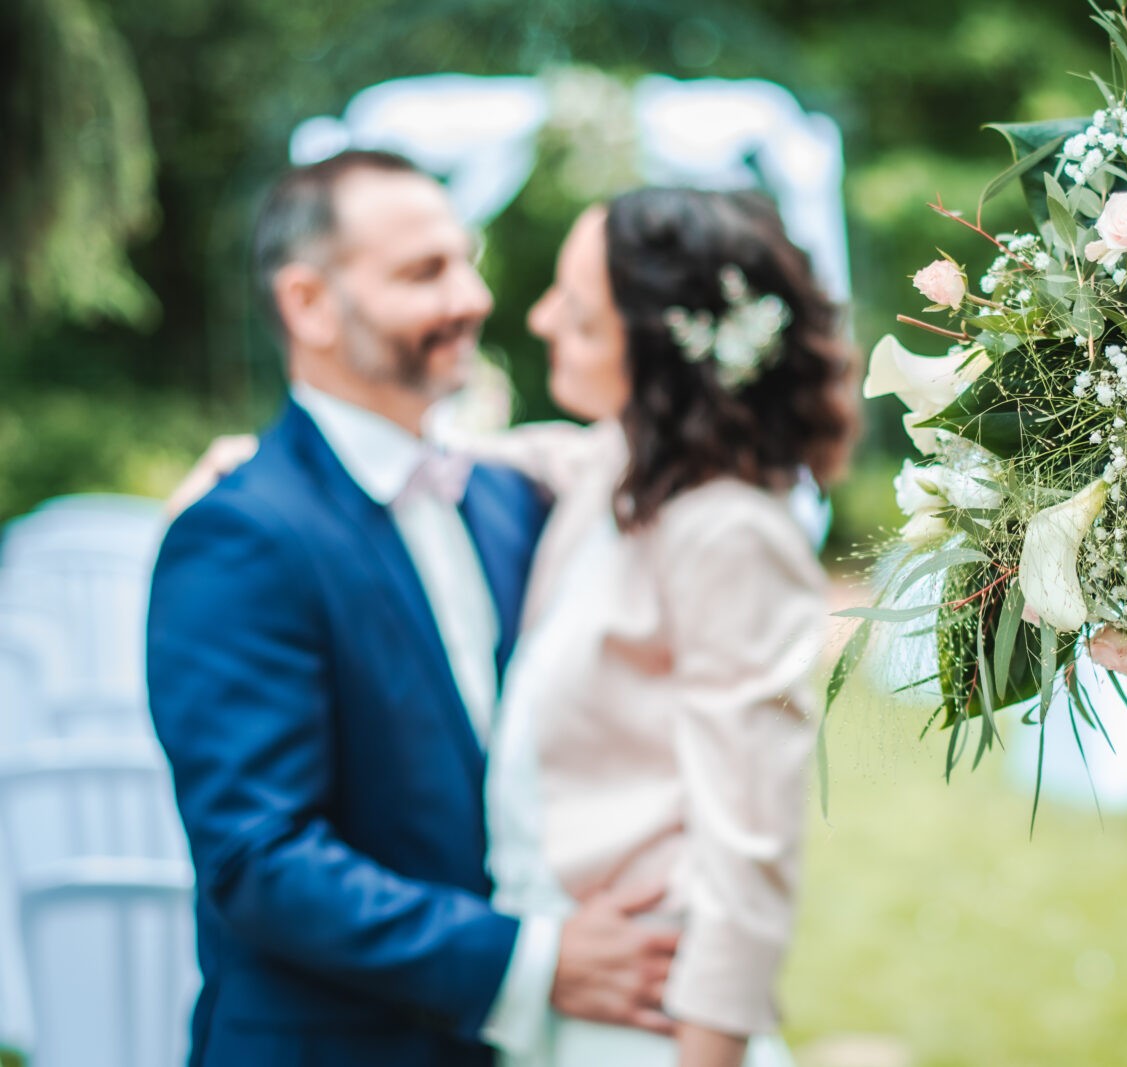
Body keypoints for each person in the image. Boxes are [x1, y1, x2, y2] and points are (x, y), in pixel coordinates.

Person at [146, 150, 677, 1067]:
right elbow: (259, 856)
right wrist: (528, 958)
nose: (471, 298)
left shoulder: (512, 500)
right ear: (308, 303)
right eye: (424, 273)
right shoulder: (237, 534)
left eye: (464, 261)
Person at [474, 187, 857, 1067]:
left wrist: (708, 1047)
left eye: (575, 315)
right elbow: (514, 456)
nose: (538, 320)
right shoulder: (622, 468)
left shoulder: (729, 531)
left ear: (656, 352)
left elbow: (750, 838)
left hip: (650, 1014)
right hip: (561, 988)